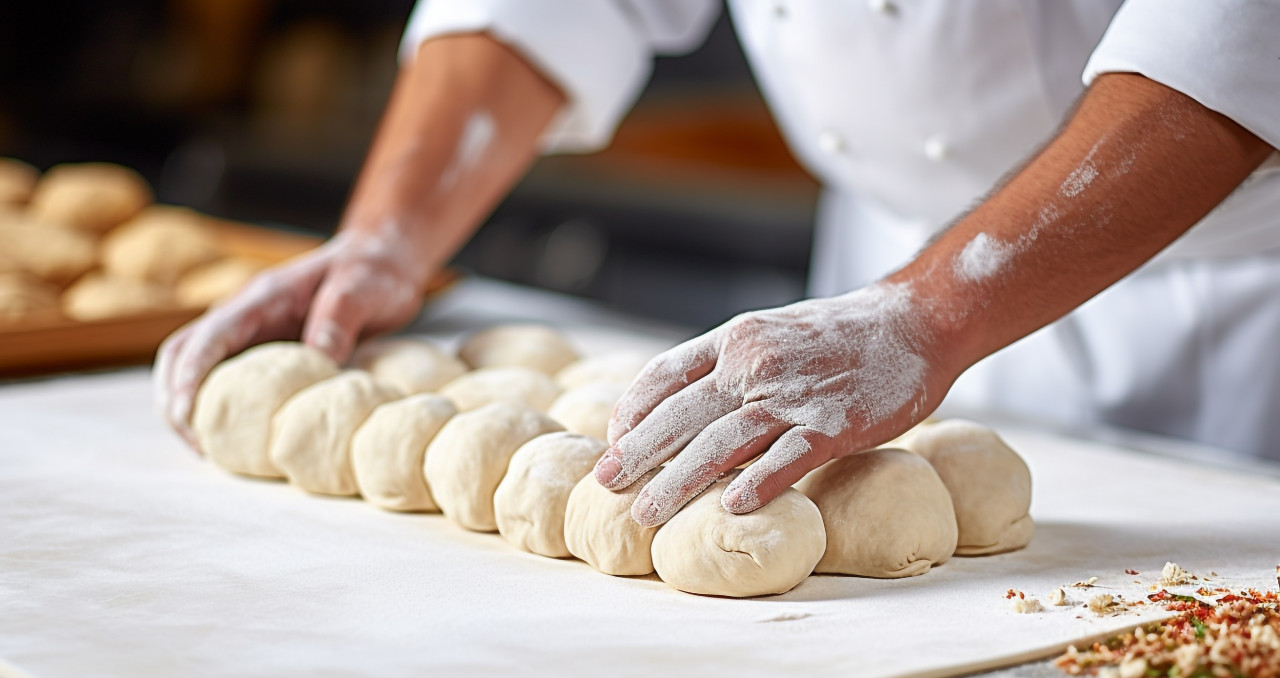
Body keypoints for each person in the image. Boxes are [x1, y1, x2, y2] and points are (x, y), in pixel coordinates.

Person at [155, 1, 1280, 529]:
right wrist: (386, 232)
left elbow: (1234, 34)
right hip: (883, 275)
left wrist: (935, 314)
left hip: (1216, 285)